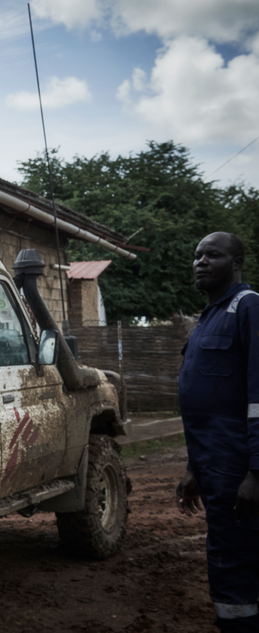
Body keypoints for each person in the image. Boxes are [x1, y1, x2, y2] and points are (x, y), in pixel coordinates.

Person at [177, 232, 259, 631]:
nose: (201, 262)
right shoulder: (207, 318)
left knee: (238, 554)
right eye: (197, 256)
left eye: (214, 255)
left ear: (237, 261)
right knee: (227, 549)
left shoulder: (249, 307)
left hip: (239, 461)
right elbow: (203, 407)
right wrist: (194, 468)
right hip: (213, 463)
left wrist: (256, 473)